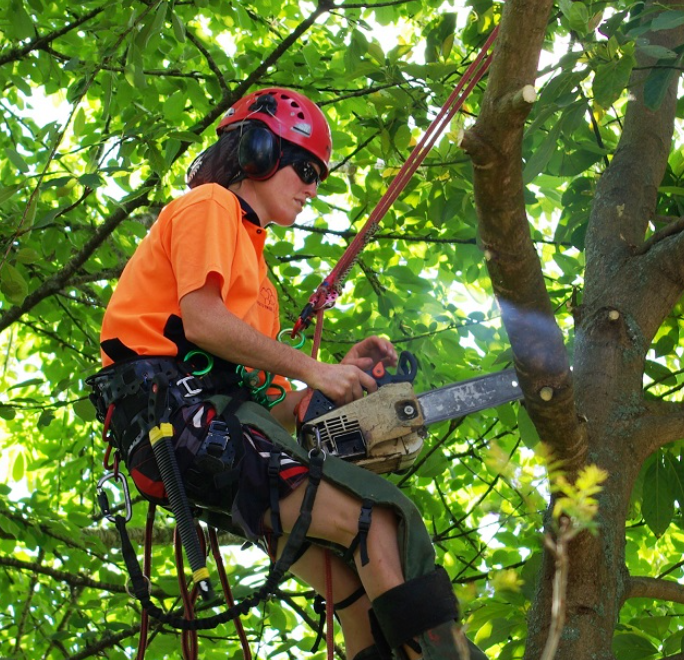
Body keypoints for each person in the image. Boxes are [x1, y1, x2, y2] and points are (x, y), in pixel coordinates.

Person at [93, 88, 485, 660]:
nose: (311, 188)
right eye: (304, 168)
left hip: (211, 436)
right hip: (177, 419)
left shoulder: (260, 282)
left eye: (318, 177)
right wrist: (314, 369)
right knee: (375, 519)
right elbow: (202, 321)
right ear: (255, 151)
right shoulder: (210, 206)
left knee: (346, 585)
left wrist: (325, 385)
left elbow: (268, 412)